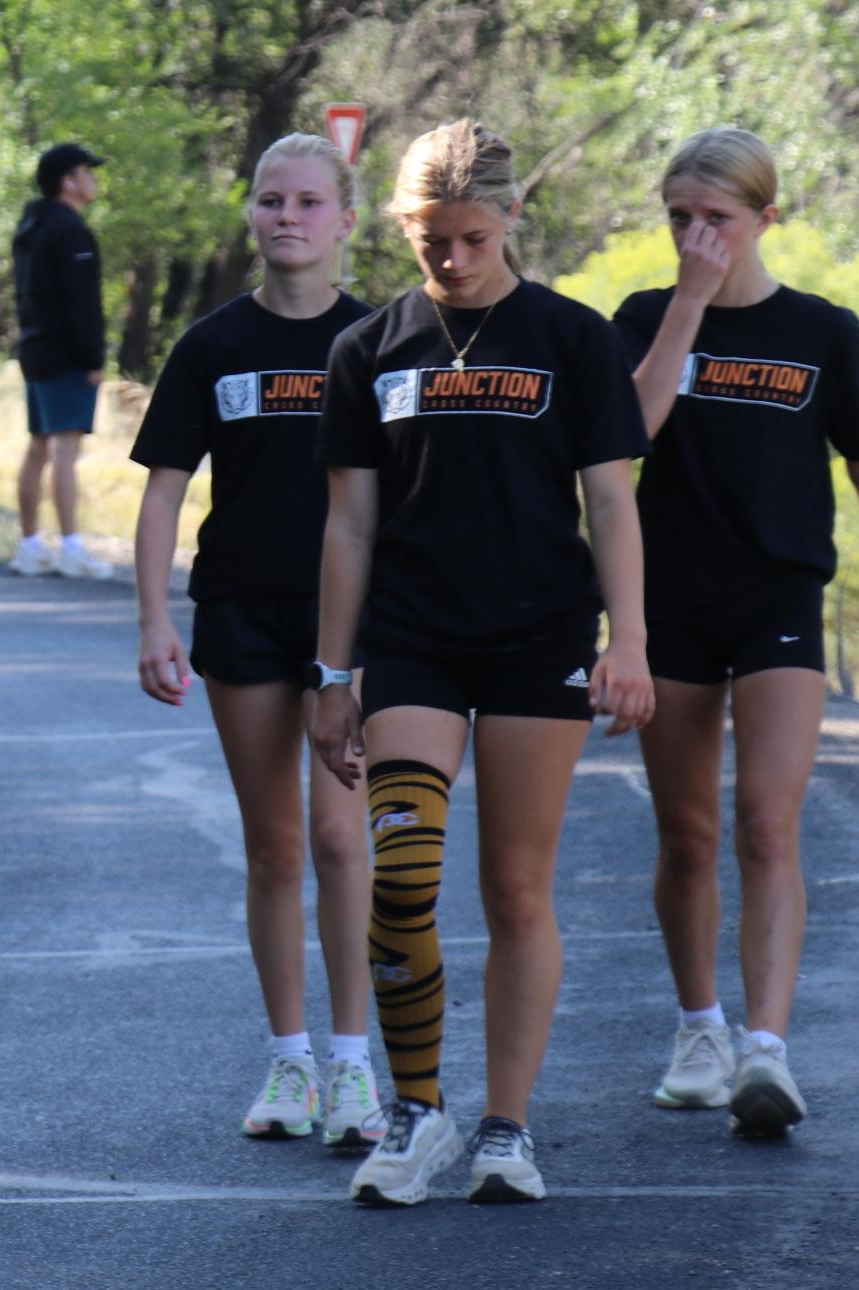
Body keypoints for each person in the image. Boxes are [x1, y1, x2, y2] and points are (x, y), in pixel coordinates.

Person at [310, 120, 654, 1206]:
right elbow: (349, 528)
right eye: (428, 240)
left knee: (515, 888)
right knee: (401, 885)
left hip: (537, 639)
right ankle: (419, 1113)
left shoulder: (571, 337)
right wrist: (331, 676)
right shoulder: (369, 348)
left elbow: (610, 500)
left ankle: (506, 1127)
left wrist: (631, 639)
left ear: (510, 219)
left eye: (468, 236)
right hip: (413, 640)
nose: (451, 259)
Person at [133, 134, 379, 1149]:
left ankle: (356, 1067)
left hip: (355, 627)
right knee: (276, 845)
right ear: (250, 215)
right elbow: (162, 487)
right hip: (241, 611)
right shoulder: (211, 346)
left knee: (339, 837)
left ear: (347, 222)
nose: (288, 218)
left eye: (309, 202)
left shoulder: (382, 337)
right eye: (271, 200)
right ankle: (290, 1061)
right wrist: (153, 617)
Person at [614, 127, 859, 1136]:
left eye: (716, 219)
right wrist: (687, 304)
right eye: (680, 219)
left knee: (765, 820)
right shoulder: (641, 315)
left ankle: (766, 1049)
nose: (697, 236)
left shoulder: (824, 332)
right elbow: (627, 434)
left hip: (778, 599)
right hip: (668, 600)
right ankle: (700, 1029)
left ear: (767, 217)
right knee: (688, 833)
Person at [11, 141, 113, 579]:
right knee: (65, 450)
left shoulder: (30, 226)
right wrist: (93, 356)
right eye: (87, 171)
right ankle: (72, 548)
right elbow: (81, 303)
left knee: (39, 446)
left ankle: (31, 545)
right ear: (68, 181)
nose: (94, 178)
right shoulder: (71, 231)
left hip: (34, 349)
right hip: (65, 354)